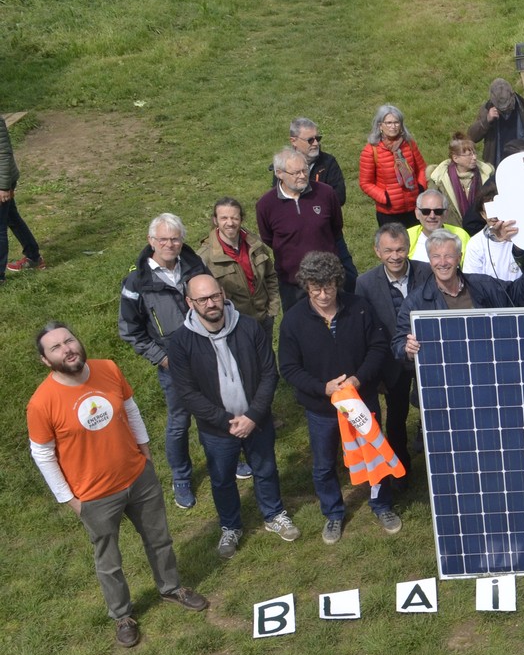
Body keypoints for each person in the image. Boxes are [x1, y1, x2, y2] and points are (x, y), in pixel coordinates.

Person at [26, 323, 209, 647]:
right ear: (45, 360)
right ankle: (122, 615)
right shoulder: (41, 403)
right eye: (56, 347)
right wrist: (70, 499)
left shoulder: (108, 368)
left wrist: (145, 453)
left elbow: (130, 409)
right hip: (93, 495)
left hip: (138, 477)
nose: (67, 349)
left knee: (159, 539)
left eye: (69, 340)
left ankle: (171, 588)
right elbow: (42, 453)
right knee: (108, 562)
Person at [168, 275, 296, 557]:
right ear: (190, 302)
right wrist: (226, 422)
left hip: (256, 421)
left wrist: (253, 416)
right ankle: (230, 526)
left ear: (223, 294)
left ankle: (274, 514)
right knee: (222, 479)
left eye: (214, 296)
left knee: (266, 470)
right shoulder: (179, 343)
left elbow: (269, 373)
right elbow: (187, 393)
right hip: (217, 429)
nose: (210, 303)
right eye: (202, 299)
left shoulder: (249, 327)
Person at [279, 252, 401, 543]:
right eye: (316, 289)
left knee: (375, 455)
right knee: (323, 465)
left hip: (362, 401)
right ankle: (333, 513)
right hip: (321, 409)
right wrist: (322, 388)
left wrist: (358, 379)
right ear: (306, 286)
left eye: (329, 288)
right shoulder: (293, 320)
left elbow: (378, 346)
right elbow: (289, 367)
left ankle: (382, 505)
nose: (323, 295)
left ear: (337, 283)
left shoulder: (360, 308)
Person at [118, 212, 208, 510]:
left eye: (175, 239)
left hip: (208, 356)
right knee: (179, 423)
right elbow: (130, 330)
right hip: (174, 366)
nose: (170, 244)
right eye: (163, 239)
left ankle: (226, 460)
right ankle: (181, 478)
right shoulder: (137, 281)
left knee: (213, 413)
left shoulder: (195, 266)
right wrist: (163, 358)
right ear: (151, 241)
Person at [395, 230, 524, 360]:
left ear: (459, 257)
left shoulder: (483, 285)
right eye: (436, 256)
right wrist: (407, 349)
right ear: (429, 260)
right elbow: (399, 342)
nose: (443, 262)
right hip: (446, 375)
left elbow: (518, 295)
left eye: (449, 256)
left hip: (488, 367)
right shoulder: (416, 301)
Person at [355, 225, 431, 477]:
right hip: (391, 363)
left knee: (435, 409)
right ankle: (401, 471)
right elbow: (364, 331)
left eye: (400, 249)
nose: (395, 256)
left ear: (408, 248)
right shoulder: (365, 283)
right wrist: (375, 375)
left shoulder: (427, 271)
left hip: (427, 356)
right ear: (377, 251)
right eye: (388, 250)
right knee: (396, 417)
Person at [256, 147, 344, 310]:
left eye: (305, 170)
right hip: (292, 283)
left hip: (328, 279)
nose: (303, 176)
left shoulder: (326, 193)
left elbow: (336, 227)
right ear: (279, 173)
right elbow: (268, 238)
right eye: (296, 173)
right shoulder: (266, 205)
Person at [283, 117, 358, 286]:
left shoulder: (328, 162)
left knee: (350, 279)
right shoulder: (283, 168)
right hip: (297, 240)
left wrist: (311, 207)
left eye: (318, 138)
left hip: (329, 234)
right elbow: (280, 203)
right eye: (310, 140)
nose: (316, 143)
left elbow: (339, 196)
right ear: (293, 141)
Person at [197, 197, 279, 344]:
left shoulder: (256, 244)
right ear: (215, 220)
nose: (230, 223)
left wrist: (272, 310)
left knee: (267, 358)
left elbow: (270, 276)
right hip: (232, 327)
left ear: (241, 219)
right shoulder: (205, 257)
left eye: (234, 218)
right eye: (224, 218)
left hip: (263, 320)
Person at [359, 104, 427, 227]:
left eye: (396, 122)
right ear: (380, 126)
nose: (393, 126)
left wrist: (421, 188)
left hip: (414, 207)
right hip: (389, 212)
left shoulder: (409, 144)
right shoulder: (371, 150)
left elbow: (422, 169)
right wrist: (385, 198)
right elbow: (365, 183)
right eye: (389, 123)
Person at [467, 78, 524, 166]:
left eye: (508, 106)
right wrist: (486, 121)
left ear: (513, 95)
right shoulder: (486, 111)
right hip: (498, 164)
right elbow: (471, 137)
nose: (506, 110)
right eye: (501, 109)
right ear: (492, 101)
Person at [424, 133, 494, 232]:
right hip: (452, 233)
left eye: (475, 153)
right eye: (469, 155)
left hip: (481, 232)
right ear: (455, 158)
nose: (474, 157)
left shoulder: (486, 174)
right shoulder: (439, 180)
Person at [2, 117, 45, 276]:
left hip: (2, 183)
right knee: (11, 217)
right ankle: (33, 257)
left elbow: (3, 154)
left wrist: (3, 187)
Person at [407, 190, 471, 263]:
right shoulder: (407, 236)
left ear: (446, 214)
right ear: (417, 213)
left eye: (438, 211)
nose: (432, 216)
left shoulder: (461, 235)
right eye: (426, 211)